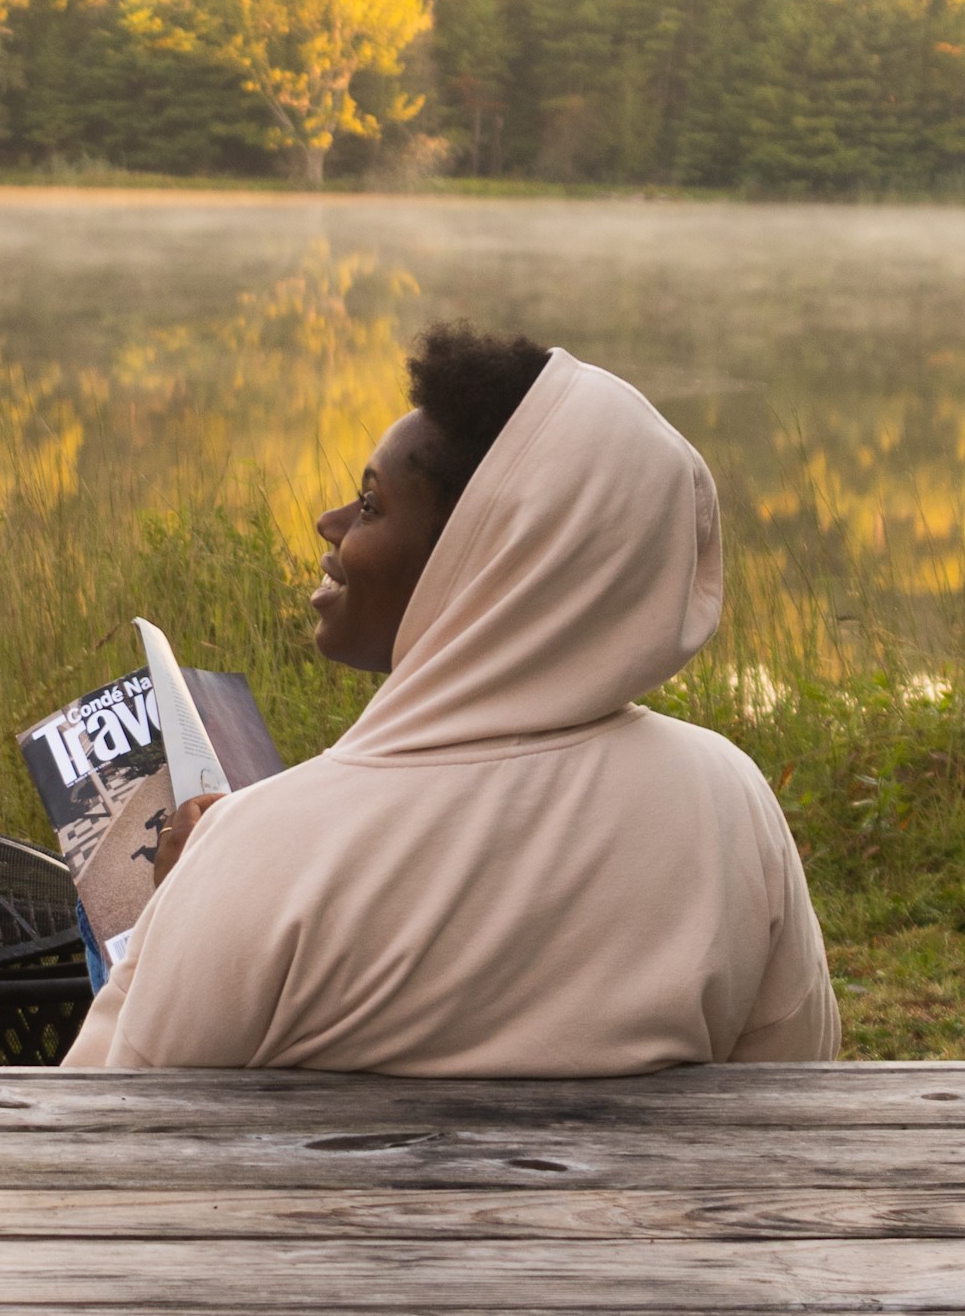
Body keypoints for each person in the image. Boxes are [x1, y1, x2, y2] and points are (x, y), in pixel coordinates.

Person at [62, 325, 836, 1073]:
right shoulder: (727, 802)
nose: (327, 523)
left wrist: (167, 914)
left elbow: (113, 1122)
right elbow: (796, 1073)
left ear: (487, 557)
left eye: (370, 507)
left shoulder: (256, 853)